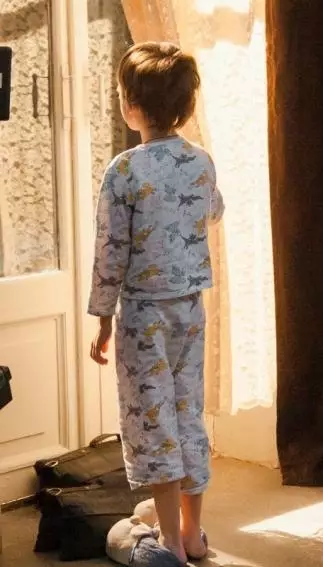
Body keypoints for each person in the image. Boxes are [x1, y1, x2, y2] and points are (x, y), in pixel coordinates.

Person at [88, 41, 224, 564]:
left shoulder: (125, 170)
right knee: (188, 412)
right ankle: (193, 533)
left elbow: (110, 251)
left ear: (130, 105)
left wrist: (103, 318)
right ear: (187, 106)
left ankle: (168, 545)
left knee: (153, 421)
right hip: (189, 311)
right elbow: (213, 210)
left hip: (144, 315)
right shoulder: (200, 161)